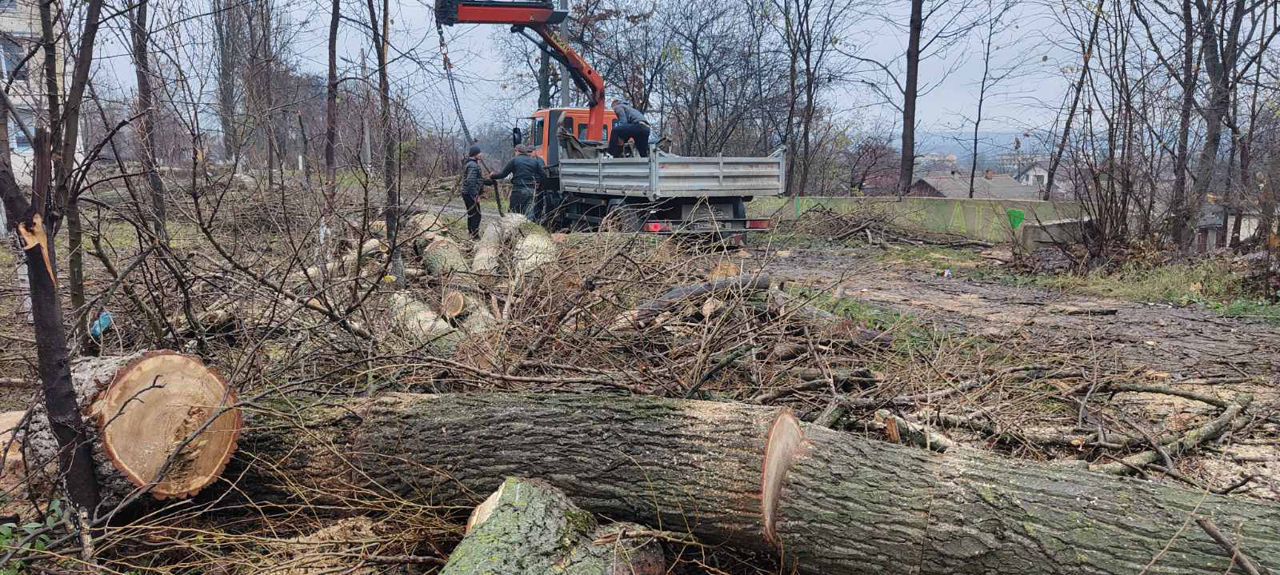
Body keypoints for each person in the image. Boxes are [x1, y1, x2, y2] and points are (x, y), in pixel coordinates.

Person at [490, 144, 547, 218]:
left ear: (517, 151)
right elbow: (544, 175)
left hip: (518, 190)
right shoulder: (534, 161)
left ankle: (513, 228)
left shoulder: (514, 160)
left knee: (513, 213)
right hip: (531, 190)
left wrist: (492, 176)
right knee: (529, 215)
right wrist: (539, 187)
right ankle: (528, 228)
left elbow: (503, 174)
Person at [460, 144, 485, 239]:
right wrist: (475, 195)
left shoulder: (471, 164)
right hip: (470, 193)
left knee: (472, 213)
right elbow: (471, 181)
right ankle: (475, 236)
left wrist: (487, 181)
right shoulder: (473, 165)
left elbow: (477, 179)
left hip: (467, 192)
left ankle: (471, 232)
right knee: (476, 214)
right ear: (475, 154)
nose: (481, 154)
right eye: (479, 153)